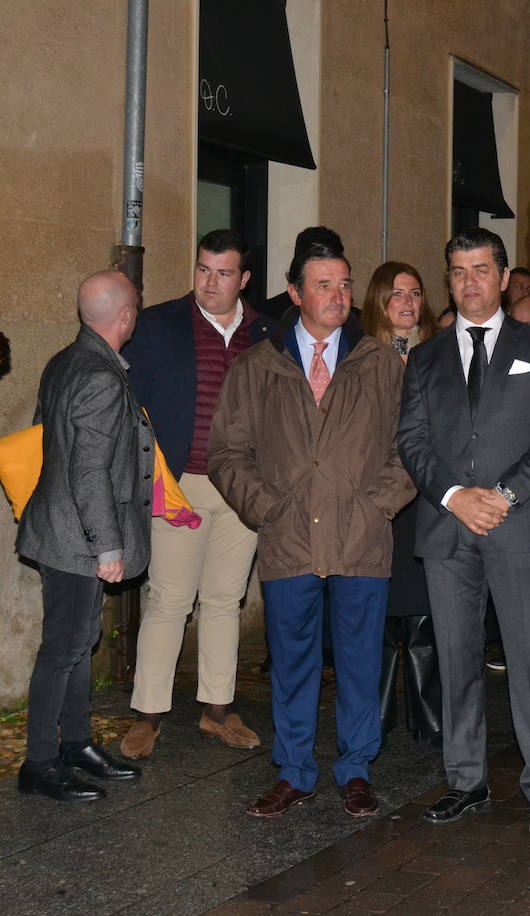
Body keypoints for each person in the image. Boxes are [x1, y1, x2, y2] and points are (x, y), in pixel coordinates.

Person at [209, 237, 414, 818]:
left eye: (345, 284)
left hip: (360, 537)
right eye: (323, 285)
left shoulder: (379, 364)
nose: (338, 296)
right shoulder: (259, 365)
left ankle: (356, 769)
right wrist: (268, 508)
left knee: (358, 660)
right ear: (295, 293)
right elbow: (226, 453)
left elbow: (411, 448)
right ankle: (295, 770)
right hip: (290, 536)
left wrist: (378, 505)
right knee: (292, 661)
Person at [396, 227, 530, 836]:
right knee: (457, 659)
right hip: (448, 530)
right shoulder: (426, 356)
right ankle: (465, 781)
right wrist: (453, 496)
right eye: (458, 271)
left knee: (528, 661)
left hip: (517, 526)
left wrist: (501, 495)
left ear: (502, 276)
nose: (469, 282)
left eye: (480, 270)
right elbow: (411, 440)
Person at [118, 230, 275, 759]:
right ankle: (148, 714)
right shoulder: (160, 324)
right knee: (168, 599)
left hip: (242, 487)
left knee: (225, 600)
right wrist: (148, 477)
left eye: (223, 273)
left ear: (244, 280)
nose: (210, 282)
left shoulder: (266, 333)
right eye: (203, 269)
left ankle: (217, 710)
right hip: (178, 482)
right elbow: (129, 406)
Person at [17, 270, 149, 802]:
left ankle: (74, 744)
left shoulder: (64, 361)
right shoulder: (97, 374)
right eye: (135, 309)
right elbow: (89, 470)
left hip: (62, 526)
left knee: (78, 642)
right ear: (124, 317)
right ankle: (39, 763)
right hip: (75, 535)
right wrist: (107, 545)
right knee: (62, 648)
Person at [360, 262, 443, 746]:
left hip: (428, 493)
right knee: (382, 611)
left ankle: (430, 716)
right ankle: (380, 714)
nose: (407, 303)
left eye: (414, 293)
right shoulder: (359, 353)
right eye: (396, 294)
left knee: (424, 608)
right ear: (378, 301)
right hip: (378, 493)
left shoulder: (440, 352)